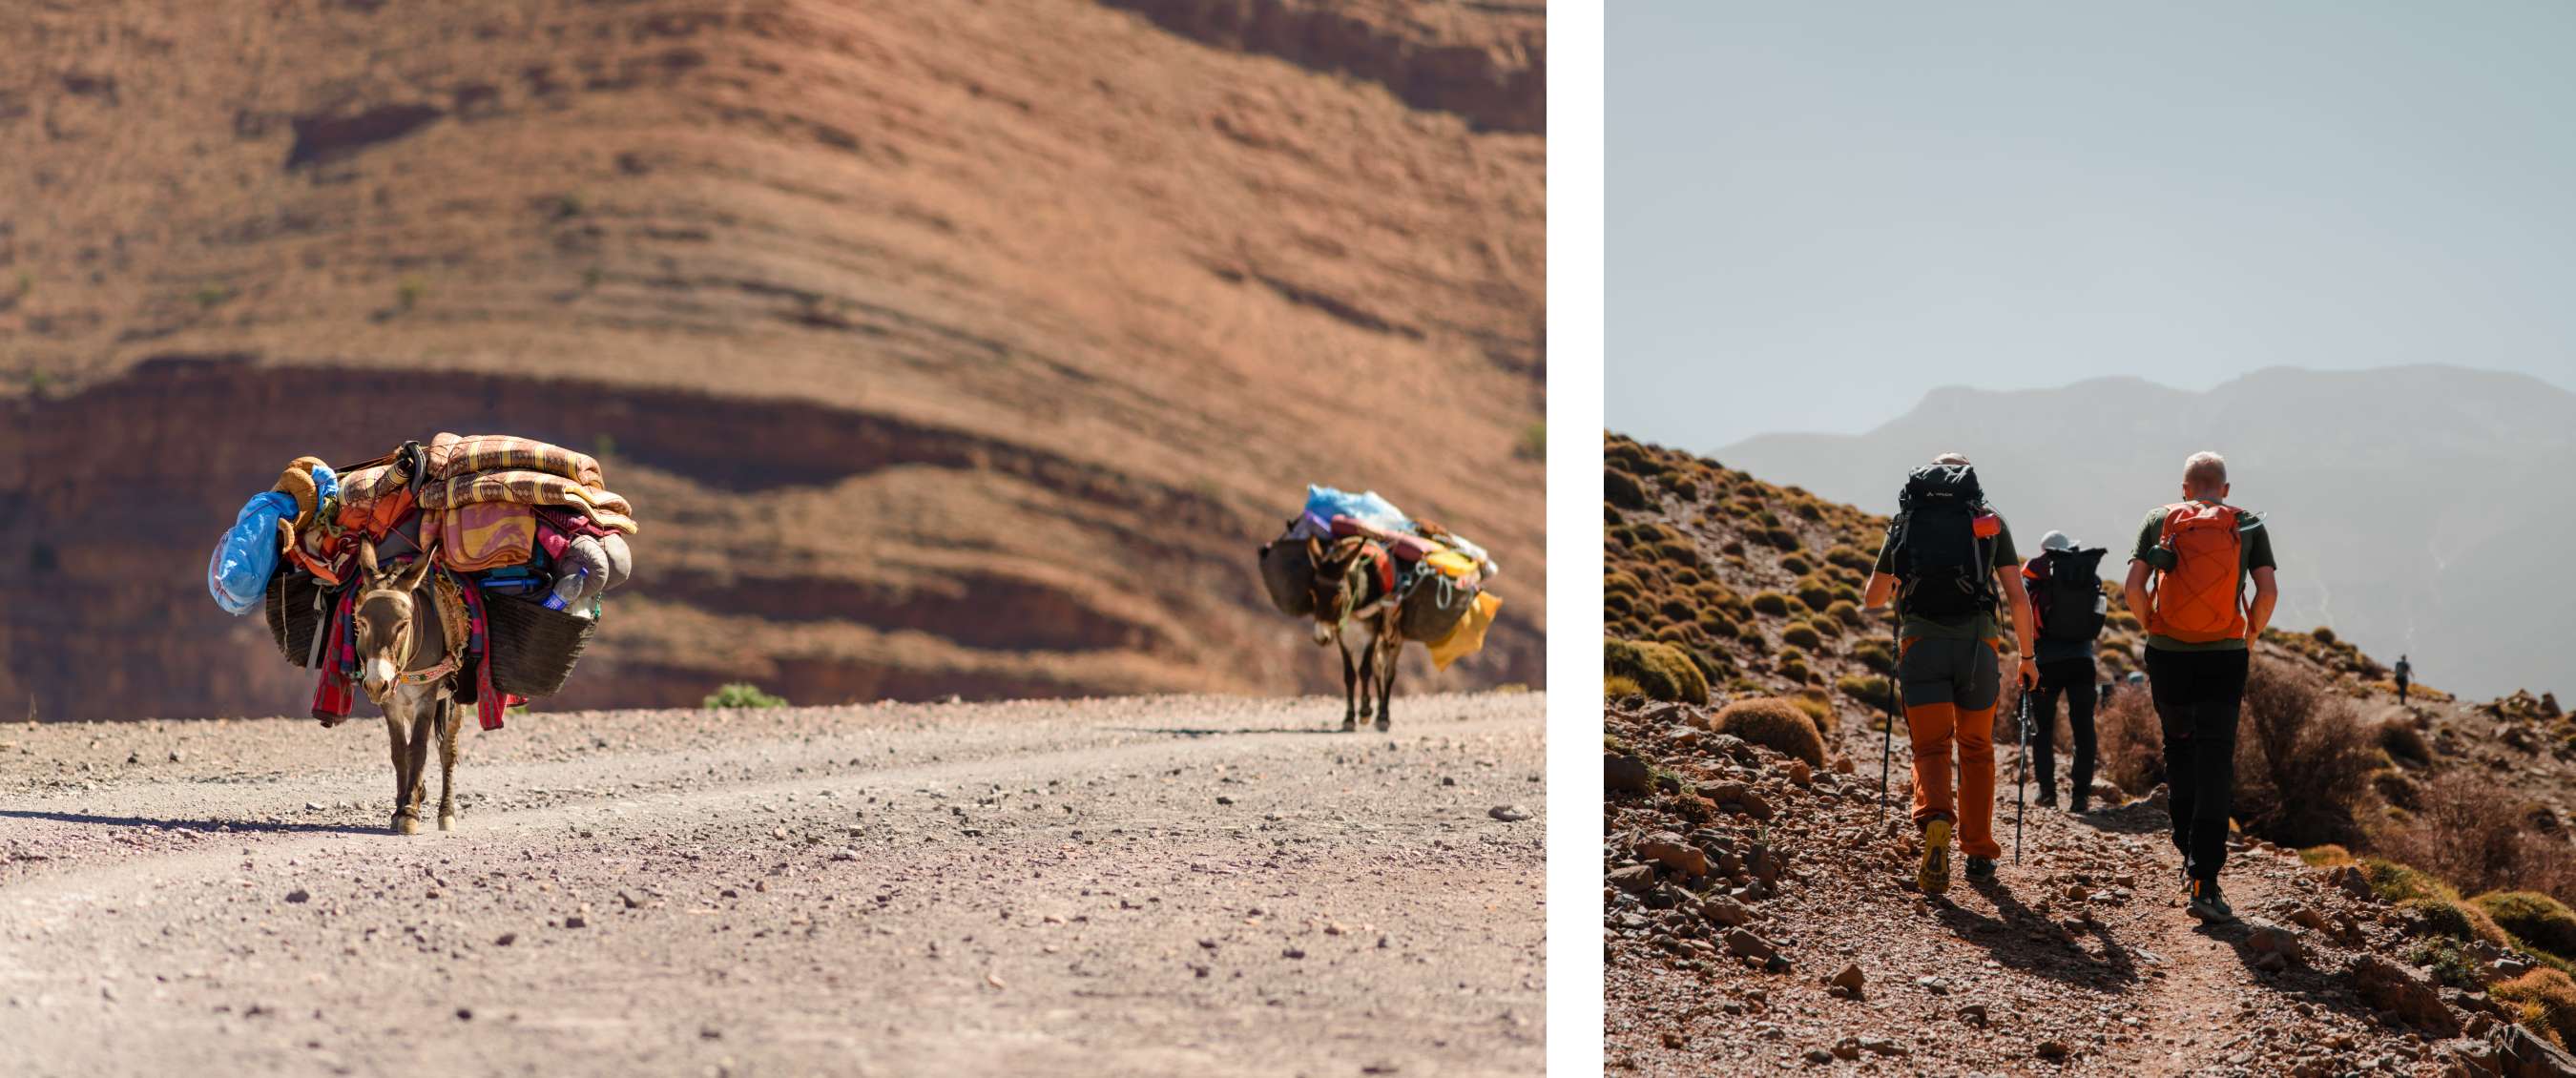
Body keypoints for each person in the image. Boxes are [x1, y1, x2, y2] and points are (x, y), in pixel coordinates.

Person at [1865, 453, 2037, 897]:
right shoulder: (1988, 519)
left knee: (1930, 745)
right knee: (1976, 748)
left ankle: (1937, 821)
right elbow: (2017, 596)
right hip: (1979, 646)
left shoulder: (1907, 518)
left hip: (1921, 644)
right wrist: (2028, 656)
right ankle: (1978, 853)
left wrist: (1906, 576)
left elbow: (1873, 598)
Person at [2121, 450, 2278, 924]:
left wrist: (2152, 624)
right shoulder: (2247, 523)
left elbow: (2132, 585)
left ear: (2184, 488)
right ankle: (2204, 877)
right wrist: (2249, 633)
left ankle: (2183, 846)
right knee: (2215, 757)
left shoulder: (2159, 519)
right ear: (2224, 490)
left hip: (2167, 652)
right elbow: (2266, 593)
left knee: (2178, 745)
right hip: (2225, 656)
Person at [2021, 530, 2109, 814]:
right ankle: (2080, 796)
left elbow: (2026, 620)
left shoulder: (2035, 580)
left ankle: (2047, 793)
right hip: (2082, 665)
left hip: (2046, 669)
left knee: (2043, 728)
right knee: (2083, 727)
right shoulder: (2087, 576)